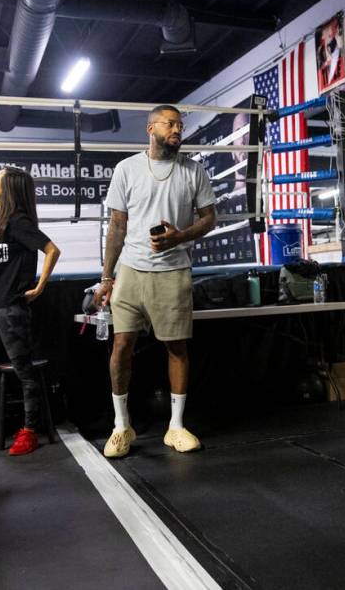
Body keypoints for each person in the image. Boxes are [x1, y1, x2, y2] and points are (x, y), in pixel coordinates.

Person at [93, 105, 216, 458]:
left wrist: (181, 237)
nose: (177, 129)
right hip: (131, 269)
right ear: (151, 128)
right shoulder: (127, 168)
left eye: (180, 124)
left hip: (174, 269)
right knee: (121, 347)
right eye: (170, 123)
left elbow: (209, 219)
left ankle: (175, 426)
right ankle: (121, 426)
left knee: (176, 346)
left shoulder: (193, 171)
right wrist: (106, 276)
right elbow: (116, 226)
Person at [0, 166, 60, 456]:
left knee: (23, 371)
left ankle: (29, 430)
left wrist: (40, 286)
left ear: (11, 187)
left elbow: (52, 250)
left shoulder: (19, 222)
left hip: (11, 308)